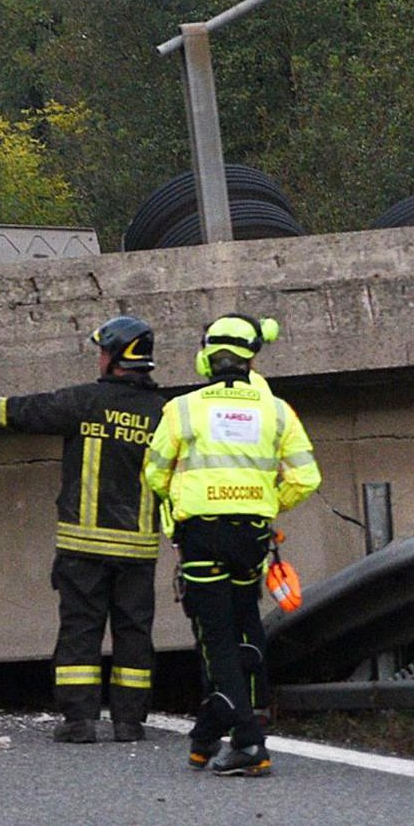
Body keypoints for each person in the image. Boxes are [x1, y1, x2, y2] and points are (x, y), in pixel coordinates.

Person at [0, 316, 171, 743]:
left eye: (102, 351)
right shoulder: (164, 414)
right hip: (138, 549)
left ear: (115, 358)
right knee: (134, 634)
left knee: (81, 632)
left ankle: (79, 722)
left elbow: (27, 411)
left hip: (82, 546)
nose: (98, 358)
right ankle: (129, 722)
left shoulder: (84, 403)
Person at [142, 314, 322, 778]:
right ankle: (208, 733)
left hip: (202, 535)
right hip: (251, 536)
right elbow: (306, 479)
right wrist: (265, 501)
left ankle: (247, 741)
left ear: (206, 357)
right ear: (250, 358)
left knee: (215, 639)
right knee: (244, 624)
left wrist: (184, 504)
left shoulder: (183, 408)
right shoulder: (278, 410)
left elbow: (154, 474)